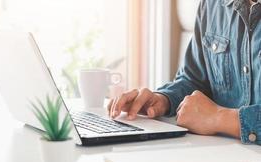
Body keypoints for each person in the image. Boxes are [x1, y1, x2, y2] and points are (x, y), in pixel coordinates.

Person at [108, 0, 261, 145]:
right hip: (216, 161)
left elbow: (213, 115)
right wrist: (163, 100)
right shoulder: (211, 5)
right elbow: (194, 80)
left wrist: (219, 118)